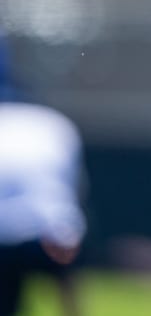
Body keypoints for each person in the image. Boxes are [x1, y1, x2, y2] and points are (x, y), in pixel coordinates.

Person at [0, 90, 87, 316]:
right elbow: (71, 187)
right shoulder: (55, 123)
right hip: (51, 236)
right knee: (66, 282)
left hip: (5, 235)